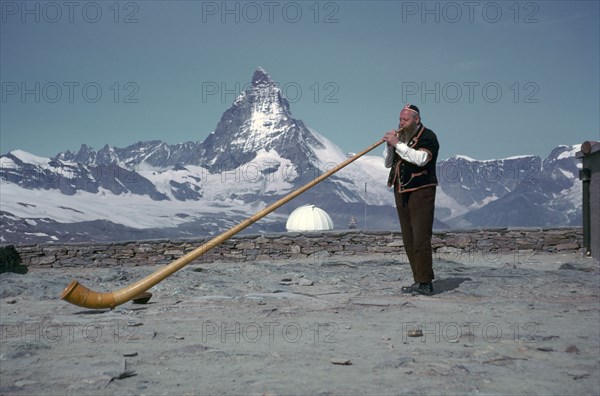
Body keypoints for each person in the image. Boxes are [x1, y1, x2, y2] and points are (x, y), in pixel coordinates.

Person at [383, 104, 439, 296]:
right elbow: (388, 163)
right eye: (400, 119)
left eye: (405, 120)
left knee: (421, 238)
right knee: (408, 239)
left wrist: (397, 144)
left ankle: (426, 282)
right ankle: (418, 280)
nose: (401, 123)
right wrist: (389, 145)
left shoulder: (428, 136)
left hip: (421, 191)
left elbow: (421, 159)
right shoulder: (403, 138)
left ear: (416, 119)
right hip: (401, 191)